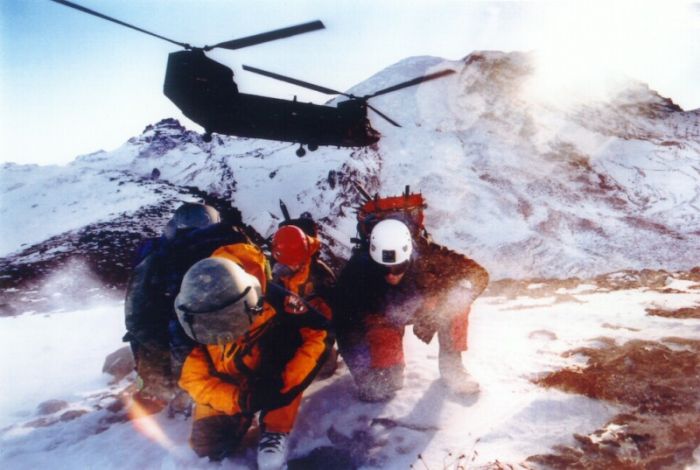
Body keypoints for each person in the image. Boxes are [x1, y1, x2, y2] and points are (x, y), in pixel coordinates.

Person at [176, 242, 333, 469]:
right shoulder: (197, 311)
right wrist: (238, 399)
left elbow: (319, 331)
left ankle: (276, 427)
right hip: (231, 378)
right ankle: (245, 408)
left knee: (286, 345)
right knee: (209, 445)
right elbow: (193, 378)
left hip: (270, 371)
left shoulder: (278, 300)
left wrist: (285, 386)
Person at [333, 218, 489, 402]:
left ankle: (452, 367)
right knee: (384, 387)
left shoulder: (429, 256)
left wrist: (439, 314)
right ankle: (385, 370)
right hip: (384, 318)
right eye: (383, 269)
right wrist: (361, 372)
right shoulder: (356, 273)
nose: (391, 275)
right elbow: (345, 328)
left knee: (458, 297)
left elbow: (479, 275)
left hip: (424, 309)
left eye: (399, 267)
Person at [123, 202, 249, 416]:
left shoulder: (160, 251)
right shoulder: (224, 242)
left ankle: (155, 390)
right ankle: (195, 394)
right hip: (217, 327)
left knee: (161, 340)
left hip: (156, 330)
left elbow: (140, 306)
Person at [268, 218, 337, 378]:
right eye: (287, 262)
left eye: (295, 262)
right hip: (285, 328)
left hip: (315, 330)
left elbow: (334, 308)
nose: (291, 266)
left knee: (323, 367)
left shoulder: (319, 273)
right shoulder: (275, 274)